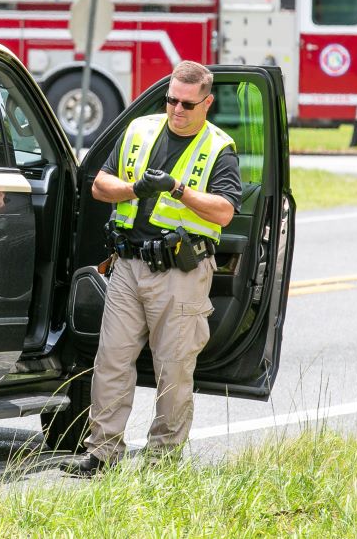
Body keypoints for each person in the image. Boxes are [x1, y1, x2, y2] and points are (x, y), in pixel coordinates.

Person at [63, 60, 242, 477]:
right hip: (128, 265)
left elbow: (225, 211)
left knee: (174, 368)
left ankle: (163, 460)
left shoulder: (219, 147)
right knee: (111, 360)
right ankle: (102, 453)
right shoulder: (140, 129)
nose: (176, 109)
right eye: (170, 100)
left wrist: (179, 190)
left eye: (186, 104)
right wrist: (135, 188)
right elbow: (99, 184)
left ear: (207, 103)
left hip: (179, 272)